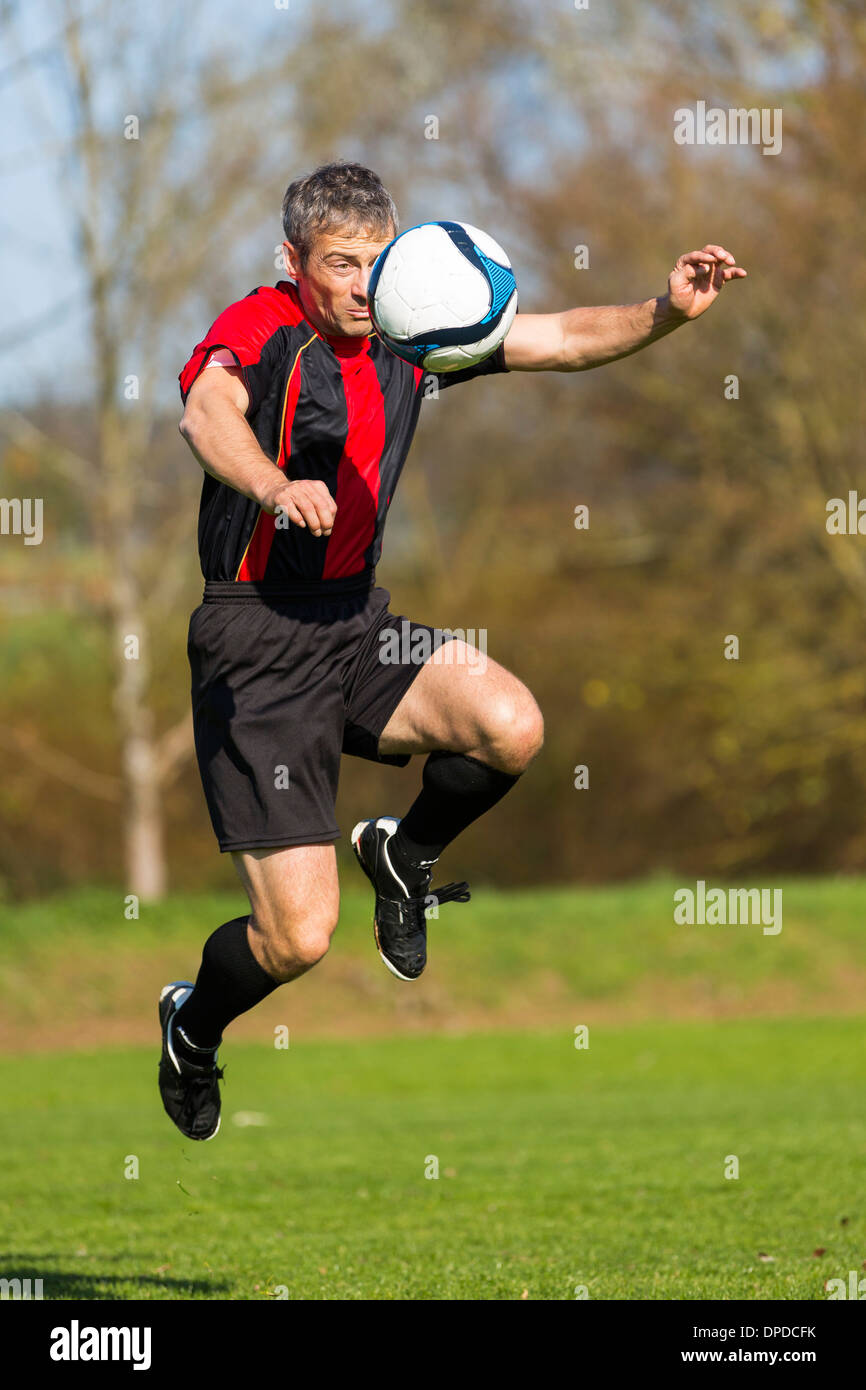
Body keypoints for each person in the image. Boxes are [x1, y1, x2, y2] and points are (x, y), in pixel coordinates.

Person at [159, 160, 746, 1140]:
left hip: (351, 623)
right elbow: (203, 412)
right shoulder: (258, 329)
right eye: (338, 264)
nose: (359, 283)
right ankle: (195, 1022)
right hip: (252, 644)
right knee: (298, 938)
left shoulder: (410, 328)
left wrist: (667, 310)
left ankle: (404, 852)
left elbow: (553, 337)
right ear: (291, 261)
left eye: (373, 262)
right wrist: (269, 485)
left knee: (508, 725)